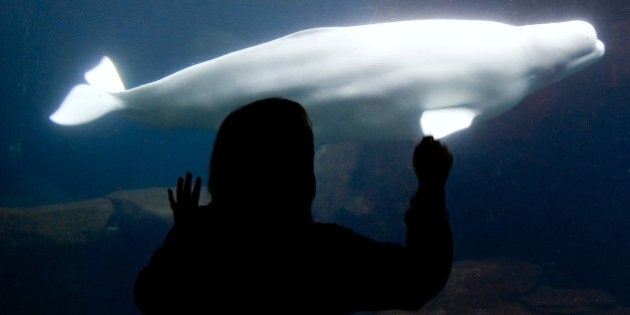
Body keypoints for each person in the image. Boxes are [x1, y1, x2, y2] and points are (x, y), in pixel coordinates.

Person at [134, 98, 453, 314]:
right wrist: (430, 187)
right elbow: (421, 279)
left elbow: (150, 297)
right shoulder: (326, 255)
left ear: (219, 174)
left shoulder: (204, 249)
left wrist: (186, 236)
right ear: (306, 181)